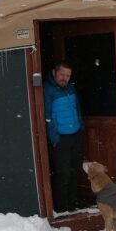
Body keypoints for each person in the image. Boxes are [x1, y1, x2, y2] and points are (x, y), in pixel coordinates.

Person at [43, 60, 84, 213]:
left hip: (75, 135)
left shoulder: (71, 88)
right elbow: (47, 116)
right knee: (63, 172)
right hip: (61, 138)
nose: (64, 78)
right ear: (54, 72)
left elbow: (76, 108)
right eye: (62, 74)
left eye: (67, 75)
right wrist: (54, 138)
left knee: (75, 170)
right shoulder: (48, 90)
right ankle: (60, 207)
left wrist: (80, 126)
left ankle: (72, 203)